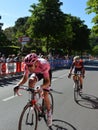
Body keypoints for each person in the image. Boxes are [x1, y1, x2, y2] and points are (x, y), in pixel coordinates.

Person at [13, 53, 52, 126]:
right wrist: (18, 85)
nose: (29, 67)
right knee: (31, 81)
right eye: (27, 65)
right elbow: (25, 79)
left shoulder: (44, 65)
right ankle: (34, 101)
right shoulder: (27, 66)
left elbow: (47, 81)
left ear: (36, 62)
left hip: (45, 72)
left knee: (45, 94)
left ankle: (49, 113)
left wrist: (41, 87)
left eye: (30, 65)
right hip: (37, 72)